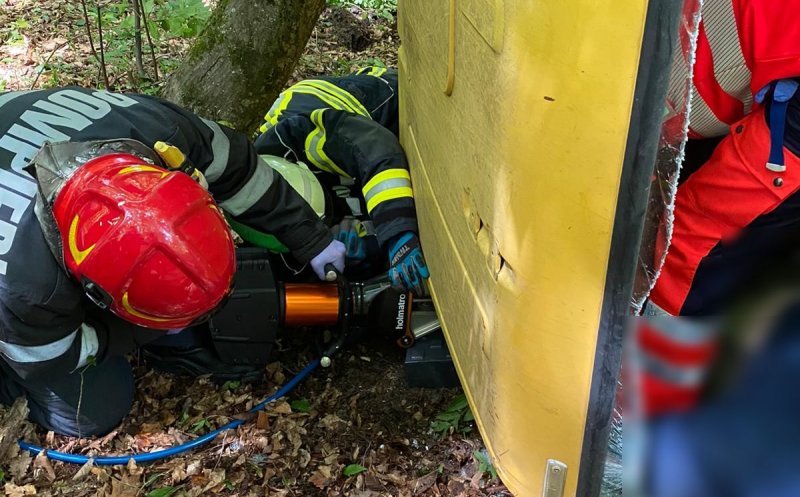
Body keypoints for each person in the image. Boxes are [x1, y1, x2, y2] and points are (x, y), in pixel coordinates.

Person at [0, 86, 350, 437]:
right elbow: (46, 359)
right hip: (20, 295)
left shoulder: (161, 132)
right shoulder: (28, 289)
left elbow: (242, 172)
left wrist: (310, 238)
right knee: (94, 409)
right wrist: (131, 333)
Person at [253, 67, 430, 296]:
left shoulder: (301, 136)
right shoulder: (264, 226)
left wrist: (397, 234)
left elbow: (374, 149)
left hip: (374, 101)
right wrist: (362, 249)